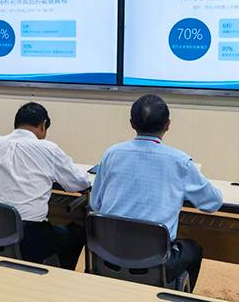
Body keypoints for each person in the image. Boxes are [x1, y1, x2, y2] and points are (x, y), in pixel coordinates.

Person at [90, 94, 223, 290]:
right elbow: (213, 203)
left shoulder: (111, 154)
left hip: (107, 256)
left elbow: (95, 204)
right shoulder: (180, 161)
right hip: (155, 264)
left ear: (131, 123)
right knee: (193, 249)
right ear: (168, 125)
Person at [0, 102, 90, 270]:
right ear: (43, 125)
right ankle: (59, 279)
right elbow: (77, 183)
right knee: (76, 233)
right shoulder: (48, 149)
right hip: (28, 237)